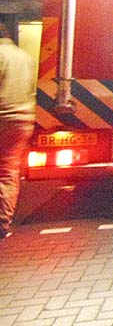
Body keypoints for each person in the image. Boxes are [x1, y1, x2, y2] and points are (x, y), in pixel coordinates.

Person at [0, 23, 37, 240]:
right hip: (22, 120)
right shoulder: (25, 57)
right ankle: (3, 222)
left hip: (2, 117)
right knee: (7, 171)